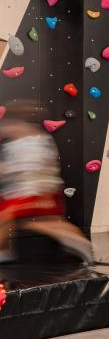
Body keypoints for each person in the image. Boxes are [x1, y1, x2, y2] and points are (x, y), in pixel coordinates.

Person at [0, 100, 93, 264]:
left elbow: (26, 164)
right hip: (45, 187)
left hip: (30, 188)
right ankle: (77, 241)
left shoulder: (17, 129)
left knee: (15, 219)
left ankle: (4, 251)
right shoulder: (40, 135)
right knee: (46, 220)